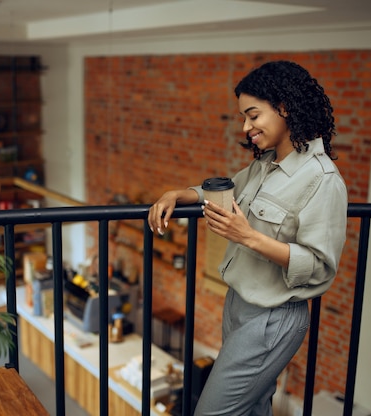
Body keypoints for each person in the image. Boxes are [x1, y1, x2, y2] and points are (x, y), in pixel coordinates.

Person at [147, 60, 348, 415]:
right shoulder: (264, 164)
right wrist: (179, 194)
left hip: (273, 317)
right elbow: (224, 189)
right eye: (244, 117)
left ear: (284, 107)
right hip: (238, 304)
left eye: (253, 115)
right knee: (253, 408)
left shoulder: (322, 179)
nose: (246, 126)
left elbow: (319, 268)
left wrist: (248, 236)